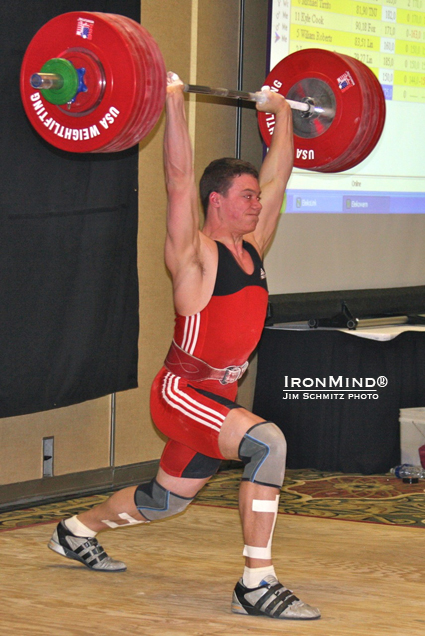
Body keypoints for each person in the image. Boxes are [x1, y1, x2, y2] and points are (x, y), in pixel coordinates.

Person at [48, 72, 320, 621]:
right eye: (246, 196)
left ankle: (76, 531)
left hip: (216, 398)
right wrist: (172, 99)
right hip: (182, 391)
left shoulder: (253, 247)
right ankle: (256, 582)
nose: (257, 203)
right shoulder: (194, 255)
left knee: (163, 501)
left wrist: (284, 112)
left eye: (257, 196)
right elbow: (176, 178)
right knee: (268, 443)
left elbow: (281, 174)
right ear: (216, 202)